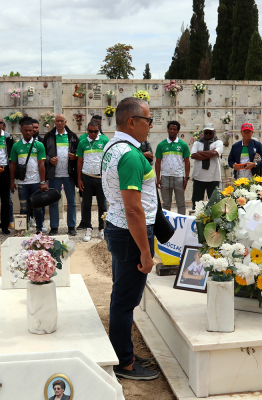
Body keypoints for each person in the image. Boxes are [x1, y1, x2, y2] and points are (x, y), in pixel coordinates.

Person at [102, 97, 159, 380]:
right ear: (132, 122)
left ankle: (122, 350)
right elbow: (134, 209)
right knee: (125, 301)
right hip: (130, 233)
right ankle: (124, 363)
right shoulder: (131, 156)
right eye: (148, 120)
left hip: (118, 228)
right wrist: (146, 254)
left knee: (121, 296)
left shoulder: (113, 147)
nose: (151, 125)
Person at [43, 114, 79, 236]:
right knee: (53, 201)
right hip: (54, 175)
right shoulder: (48, 136)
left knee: (72, 202)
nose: (59, 123)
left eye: (61, 121)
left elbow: (79, 153)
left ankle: (71, 226)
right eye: (57, 121)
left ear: (65, 122)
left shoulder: (72, 136)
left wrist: (75, 156)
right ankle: (54, 227)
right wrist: (49, 160)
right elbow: (43, 154)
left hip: (69, 174)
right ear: (54, 121)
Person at [10, 121, 47, 232]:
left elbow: (41, 164)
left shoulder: (39, 145)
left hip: (36, 182)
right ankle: (22, 231)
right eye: (26, 130)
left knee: (37, 207)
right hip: (22, 183)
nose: (28, 132)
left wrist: (43, 182)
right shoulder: (16, 146)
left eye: (30, 130)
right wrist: (12, 182)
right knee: (23, 207)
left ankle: (39, 230)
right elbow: (13, 165)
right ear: (21, 130)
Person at [77, 121, 109, 241]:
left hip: (100, 178)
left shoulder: (105, 140)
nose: (93, 133)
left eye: (96, 131)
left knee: (102, 205)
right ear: (87, 130)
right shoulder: (82, 142)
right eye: (91, 131)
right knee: (86, 204)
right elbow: (79, 161)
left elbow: (108, 159)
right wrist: (79, 179)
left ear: (99, 130)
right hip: (86, 177)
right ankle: (88, 228)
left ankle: (101, 228)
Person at [155, 121, 190, 215]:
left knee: (181, 203)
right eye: (170, 129)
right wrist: (158, 178)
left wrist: (186, 177)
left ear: (178, 131)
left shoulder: (183, 145)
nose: (172, 131)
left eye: (174, 129)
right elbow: (157, 162)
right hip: (165, 178)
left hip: (179, 177)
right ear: (167, 130)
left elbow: (187, 162)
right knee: (166, 204)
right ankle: (166, 225)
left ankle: (181, 225)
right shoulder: (161, 145)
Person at [191, 123, 224, 210]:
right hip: (199, 178)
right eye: (206, 132)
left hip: (213, 178)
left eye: (210, 133)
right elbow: (193, 155)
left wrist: (200, 152)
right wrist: (210, 153)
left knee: (214, 205)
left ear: (214, 133)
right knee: (197, 205)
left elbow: (215, 153)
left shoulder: (218, 142)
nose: (208, 135)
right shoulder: (197, 143)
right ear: (203, 132)